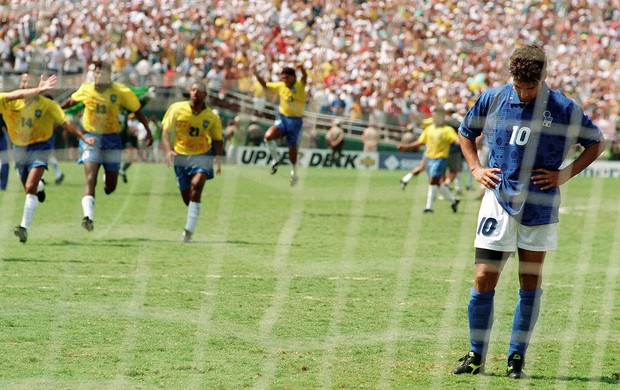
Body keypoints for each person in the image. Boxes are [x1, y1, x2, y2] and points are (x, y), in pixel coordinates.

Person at [453, 45, 606, 379]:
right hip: (498, 199)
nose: (523, 93)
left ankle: (516, 357)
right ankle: (475, 354)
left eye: (530, 88)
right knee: (483, 277)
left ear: (543, 77)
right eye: (519, 87)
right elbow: (466, 133)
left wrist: (565, 173)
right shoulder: (493, 98)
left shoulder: (564, 107)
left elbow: (597, 142)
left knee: (530, 280)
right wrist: (476, 168)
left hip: (541, 203)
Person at [0, 73, 93, 243]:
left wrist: (83, 137)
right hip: (19, 149)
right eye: (23, 82)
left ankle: (24, 228)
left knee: (29, 187)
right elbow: (13, 95)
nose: (25, 84)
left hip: (40, 148)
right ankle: (40, 186)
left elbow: (66, 123)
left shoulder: (47, 105)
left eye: (29, 82)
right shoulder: (6, 101)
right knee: (33, 188)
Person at [60, 61, 153, 232]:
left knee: (110, 187)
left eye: (101, 73)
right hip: (91, 138)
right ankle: (88, 217)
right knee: (90, 179)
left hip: (112, 140)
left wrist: (148, 130)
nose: (97, 75)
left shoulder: (120, 91)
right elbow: (71, 101)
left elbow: (137, 110)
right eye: (95, 72)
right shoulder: (86, 89)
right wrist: (56, 109)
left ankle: (108, 179)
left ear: (109, 75)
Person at [162, 80, 223, 243]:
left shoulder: (211, 117)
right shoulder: (176, 109)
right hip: (180, 157)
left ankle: (188, 231)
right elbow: (166, 131)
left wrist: (217, 156)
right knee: (187, 198)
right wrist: (169, 150)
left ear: (205, 95)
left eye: (199, 90)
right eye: (193, 89)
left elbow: (218, 139)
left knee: (197, 186)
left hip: (202, 155)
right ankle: (192, 219)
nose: (196, 92)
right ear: (190, 92)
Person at [252, 63, 307, 187]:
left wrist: (302, 68)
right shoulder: (280, 86)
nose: (285, 81)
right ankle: (275, 159)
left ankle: (294, 172)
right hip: (283, 118)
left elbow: (304, 77)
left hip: (296, 121)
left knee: (292, 149)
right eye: (283, 78)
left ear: (293, 77)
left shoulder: (299, 85)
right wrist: (255, 73)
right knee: (268, 136)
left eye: (287, 78)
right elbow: (264, 84)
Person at [399, 106, 460, 213]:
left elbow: (456, 140)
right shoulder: (429, 129)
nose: (434, 117)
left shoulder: (447, 130)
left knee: (432, 180)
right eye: (433, 115)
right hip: (428, 158)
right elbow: (420, 142)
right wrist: (406, 147)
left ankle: (429, 207)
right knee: (436, 182)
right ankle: (453, 201)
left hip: (440, 158)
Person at [0, 115, 9, 190]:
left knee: (5, 162)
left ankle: (3, 185)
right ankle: (3, 185)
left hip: (2, 138)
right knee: (5, 161)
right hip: (1, 138)